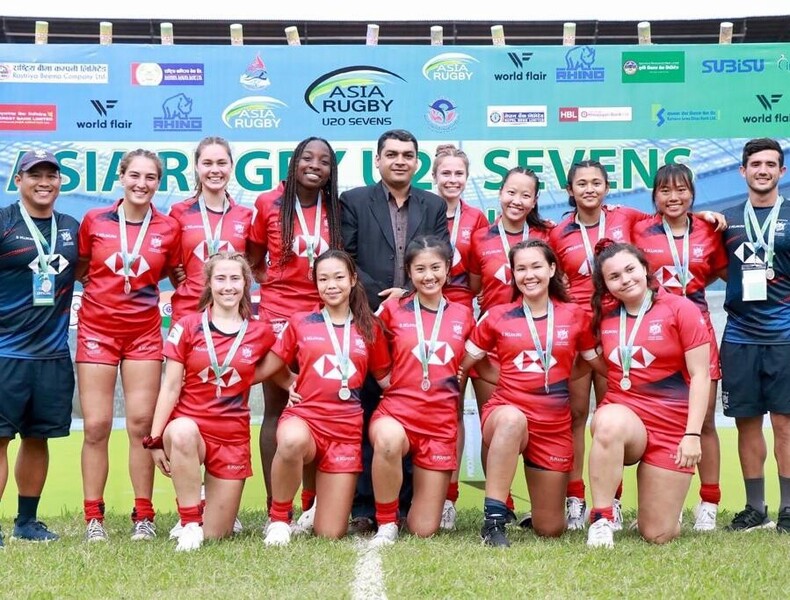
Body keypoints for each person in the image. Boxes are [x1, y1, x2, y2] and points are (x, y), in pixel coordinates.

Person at [340, 129, 449, 533]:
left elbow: (438, 255)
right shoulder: (353, 201)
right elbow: (347, 256)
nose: (400, 160)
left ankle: (406, 502)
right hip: (369, 317)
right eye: (392, 154)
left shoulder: (434, 204)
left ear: (417, 162)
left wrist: (407, 293)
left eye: (407, 155)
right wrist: (380, 299)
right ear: (378, 161)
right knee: (369, 408)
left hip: (419, 322)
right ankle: (366, 506)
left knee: (412, 405)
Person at [461, 240, 597, 547]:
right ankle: (494, 522)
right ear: (513, 274)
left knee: (550, 528)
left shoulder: (576, 315)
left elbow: (591, 362)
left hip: (553, 424)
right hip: (506, 411)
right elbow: (469, 362)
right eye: (520, 268)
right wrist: (503, 378)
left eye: (536, 266)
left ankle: (537, 513)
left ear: (551, 269)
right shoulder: (497, 315)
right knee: (511, 420)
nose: (529, 274)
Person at [76, 149, 180, 542]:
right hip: (97, 332)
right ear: (120, 177)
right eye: (134, 175)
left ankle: (144, 516)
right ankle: (93, 519)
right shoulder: (94, 221)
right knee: (97, 426)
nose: (141, 183)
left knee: (141, 425)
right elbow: (82, 268)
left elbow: (178, 274)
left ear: (158, 182)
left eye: (150, 177)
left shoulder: (168, 228)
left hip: (143, 335)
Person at [146, 252, 281, 552]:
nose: (228, 286)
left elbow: (279, 368)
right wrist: (155, 439)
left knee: (217, 535)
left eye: (235, 278)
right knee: (181, 432)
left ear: (246, 284)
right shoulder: (187, 325)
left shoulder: (260, 331)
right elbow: (169, 387)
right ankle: (190, 521)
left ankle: (204, 508)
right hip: (191, 427)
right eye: (220, 278)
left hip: (232, 437)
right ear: (208, 283)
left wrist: (295, 385)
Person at [584, 241, 709, 548]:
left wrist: (692, 434)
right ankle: (601, 519)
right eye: (614, 276)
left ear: (644, 268)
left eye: (630, 269)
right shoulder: (603, 315)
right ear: (606, 285)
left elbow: (701, 375)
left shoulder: (681, 308)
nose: (625, 279)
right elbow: (596, 361)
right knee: (608, 422)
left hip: (671, 424)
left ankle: (664, 508)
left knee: (658, 534)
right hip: (626, 415)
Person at [263, 250, 391, 546]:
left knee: (331, 532)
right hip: (305, 419)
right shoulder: (300, 322)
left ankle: (315, 510)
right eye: (323, 279)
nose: (331, 285)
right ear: (315, 283)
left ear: (353, 280)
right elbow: (270, 364)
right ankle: (280, 519)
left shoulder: (370, 327)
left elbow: (386, 380)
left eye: (338, 277)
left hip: (345, 431)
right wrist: (287, 381)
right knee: (291, 441)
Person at [247, 137, 342, 521]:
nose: (315, 165)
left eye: (324, 160)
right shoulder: (267, 203)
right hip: (278, 318)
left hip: (325, 317)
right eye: (307, 157)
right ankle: (277, 508)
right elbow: (253, 259)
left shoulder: (337, 207)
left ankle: (312, 505)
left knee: (318, 410)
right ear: (294, 162)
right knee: (276, 409)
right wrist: (279, 287)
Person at [631, 163, 727, 531]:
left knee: (703, 420)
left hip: (698, 327)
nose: (674, 197)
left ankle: (710, 503)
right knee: (644, 413)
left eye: (681, 190)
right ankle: (624, 503)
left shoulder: (707, 229)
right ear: (654, 196)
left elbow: (723, 272)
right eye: (665, 191)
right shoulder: (639, 228)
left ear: (692, 193)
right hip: (653, 332)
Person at [368, 236, 474, 547]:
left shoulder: (464, 315)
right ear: (409, 273)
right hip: (397, 414)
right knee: (387, 441)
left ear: (448, 269)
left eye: (435, 268)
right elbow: (372, 347)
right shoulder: (393, 310)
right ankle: (386, 522)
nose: (428, 276)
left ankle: (416, 512)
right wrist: (387, 381)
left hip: (439, 424)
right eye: (420, 269)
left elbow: (476, 357)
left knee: (423, 529)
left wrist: (462, 369)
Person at [0, 150, 79, 545]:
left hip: (52, 356)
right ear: (18, 180)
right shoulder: (3, 222)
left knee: (37, 438)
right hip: (5, 355)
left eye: (52, 174)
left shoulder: (70, 227)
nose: (44, 181)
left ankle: (27, 522)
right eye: (35, 175)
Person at [467, 167, 554, 521]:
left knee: (543, 421)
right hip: (494, 345)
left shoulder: (549, 235)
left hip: (541, 342)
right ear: (499, 193)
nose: (517, 201)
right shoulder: (479, 238)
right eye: (511, 192)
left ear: (535, 200)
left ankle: (552, 503)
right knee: (498, 426)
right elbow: (473, 288)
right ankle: (501, 506)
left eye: (526, 195)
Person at [720, 138, 790, 532]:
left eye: (771, 164)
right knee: (747, 422)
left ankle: (788, 510)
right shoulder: (726, 220)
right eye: (755, 164)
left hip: (785, 337)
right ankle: (755, 508)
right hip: (739, 338)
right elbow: (717, 267)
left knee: (785, 425)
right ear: (742, 171)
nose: (762, 170)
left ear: (782, 172)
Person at [430, 145, 488, 529]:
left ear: (466, 178)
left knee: (474, 409)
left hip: (462, 317)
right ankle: (440, 496)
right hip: (424, 319)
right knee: (441, 411)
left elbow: (479, 276)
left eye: (458, 174)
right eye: (445, 173)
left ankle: (474, 499)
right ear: (434, 177)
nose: (452, 180)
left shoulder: (477, 218)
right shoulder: (422, 210)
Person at [168, 136, 253, 326]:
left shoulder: (245, 216)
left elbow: (252, 263)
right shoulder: (178, 212)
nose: (215, 170)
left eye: (221, 163)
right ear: (197, 167)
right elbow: (170, 262)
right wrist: (184, 279)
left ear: (231, 166)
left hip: (232, 314)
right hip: (188, 312)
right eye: (207, 163)